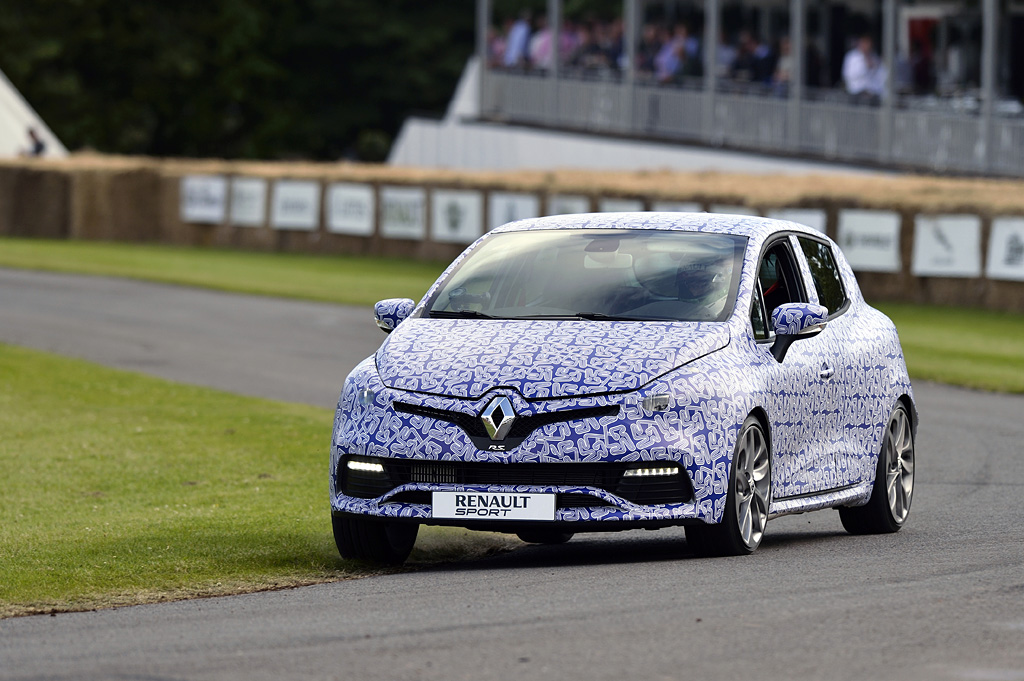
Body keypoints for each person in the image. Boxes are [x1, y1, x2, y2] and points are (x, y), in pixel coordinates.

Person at [842, 35, 887, 104]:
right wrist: (865, 67)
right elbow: (848, 75)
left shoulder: (874, 57)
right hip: (856, 92)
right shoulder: (852, 57)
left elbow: (881, 77)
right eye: (865, 43)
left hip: (872, 94)